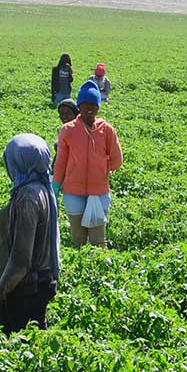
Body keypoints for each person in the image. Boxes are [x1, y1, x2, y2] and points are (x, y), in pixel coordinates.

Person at [0, 133, 61, 334]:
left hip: (26, 288)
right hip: (35, 284)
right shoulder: (40, 188)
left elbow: (21, 260)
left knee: (20, 346)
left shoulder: (27, 197)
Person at [52, 81, 123, 248]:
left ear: (98, 106)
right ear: (79, 106)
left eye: (93, 104)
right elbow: (61, 161)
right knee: (78, 238)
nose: (89, 108)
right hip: (73, 191)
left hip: (98, 193)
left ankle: (100, 270)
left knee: (98, 240)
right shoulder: (68, 130)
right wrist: (56, 184)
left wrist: (102, 170)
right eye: (85, 105)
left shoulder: (107, 130)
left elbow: (117, 160)